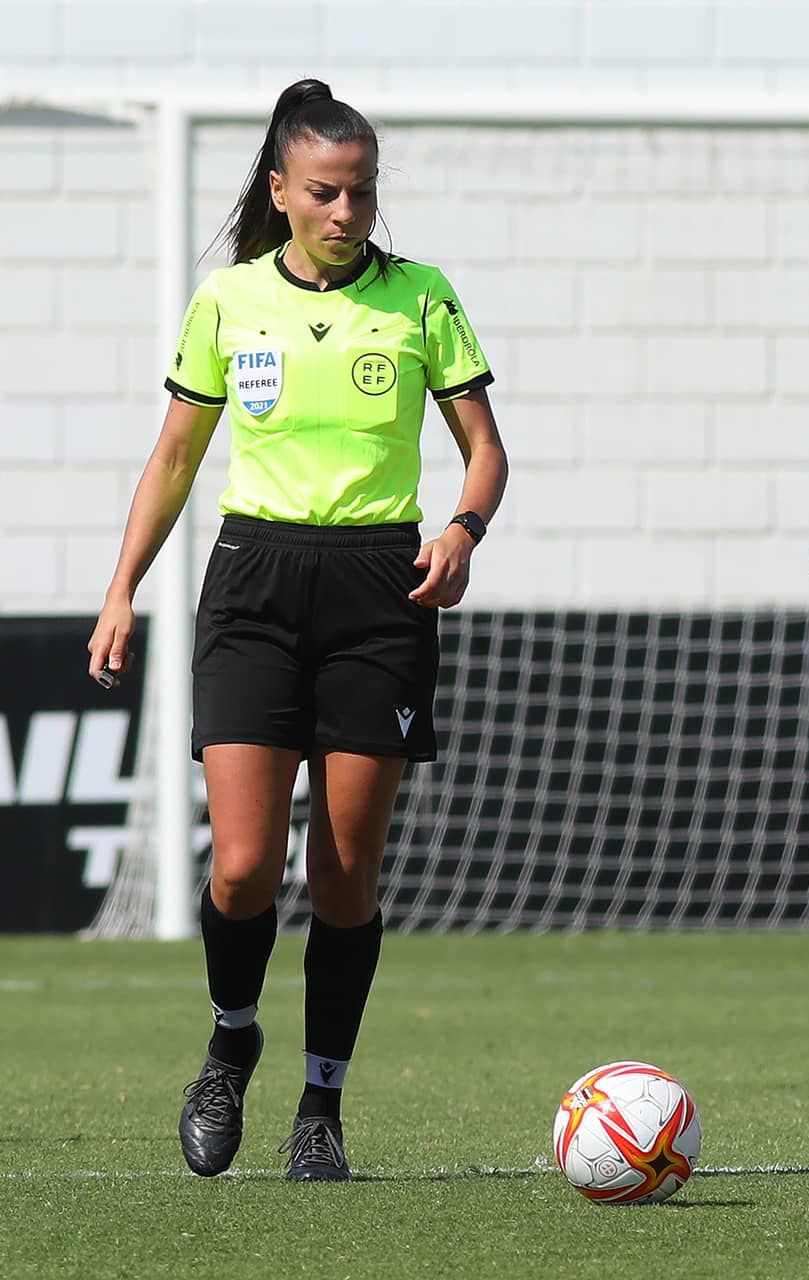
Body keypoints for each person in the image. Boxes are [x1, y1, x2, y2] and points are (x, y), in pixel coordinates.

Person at [86, 79, 507, 1183]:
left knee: (348, 869)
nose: (346, 210)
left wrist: (463, 527)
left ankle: (320, 1101)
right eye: (324, 190)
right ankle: (233, 1037)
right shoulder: (228, 301)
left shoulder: (422, 298)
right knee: (238, 869)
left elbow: (487, 451)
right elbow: (175, 457)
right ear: (280, 189)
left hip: (381, 588)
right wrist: (122, 586)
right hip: (255, 584)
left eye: (361, 190)